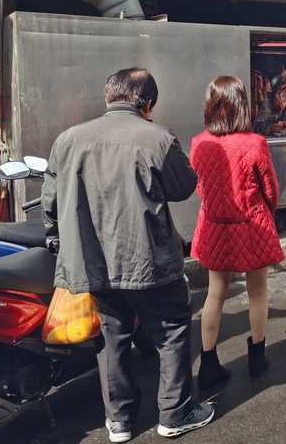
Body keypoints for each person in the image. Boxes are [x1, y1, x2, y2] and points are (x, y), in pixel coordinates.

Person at [42, 68, 213, 443]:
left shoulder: (67, 140)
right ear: (147, 103)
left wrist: (57, 241)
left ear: (109, 97)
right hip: (145, 258)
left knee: (112, 335)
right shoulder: (158, 138)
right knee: (172, 329)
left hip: (92, 260)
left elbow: (50, 204)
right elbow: (184, 187)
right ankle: (176, 412)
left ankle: (118, 421)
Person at [189, 76, 284, 389]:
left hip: (214, 224)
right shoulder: (254, 142)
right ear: (243, 104)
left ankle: (208, 364)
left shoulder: (198, 142)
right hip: (250, 223)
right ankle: (257, 358)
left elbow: (201, 187)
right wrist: (265, 213)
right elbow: (270, 188)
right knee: (257, 290)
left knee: (215, 293)